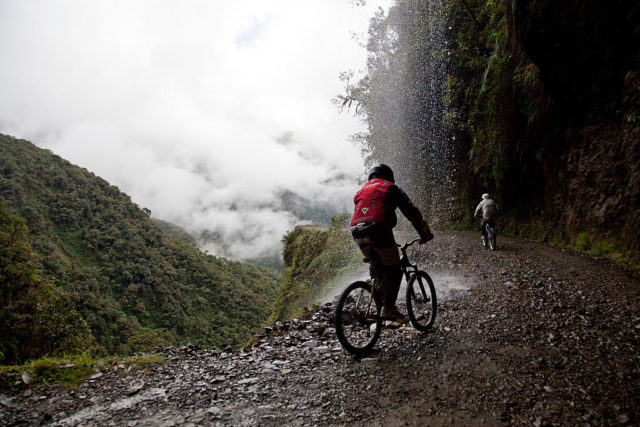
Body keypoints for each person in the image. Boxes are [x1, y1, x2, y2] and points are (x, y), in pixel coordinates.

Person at [350, 163, 434, 322]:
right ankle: (388, 309)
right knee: (394, 268)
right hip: (378, 228)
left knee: (377, 263)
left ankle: (378, 297)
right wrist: (425, 235)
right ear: (389, 176)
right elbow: (412, 212)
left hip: (356, 230)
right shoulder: (390, 187)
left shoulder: (360, 191)